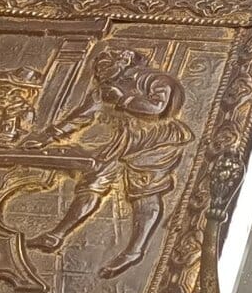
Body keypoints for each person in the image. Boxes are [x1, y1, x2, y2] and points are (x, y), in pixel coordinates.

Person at [29, 47, 195, 279]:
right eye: (98, 68)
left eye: (105, 66)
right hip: (124, 141)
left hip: (157, 142)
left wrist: (123, 98)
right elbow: (84, 114)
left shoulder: (158, 81)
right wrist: (49, 135)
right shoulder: (105, 87)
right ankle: (55, 236)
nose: (99, 72)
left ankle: (134, 251)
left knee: (144, 193)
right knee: (93, 182)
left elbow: (157, 108)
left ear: (124, 61)